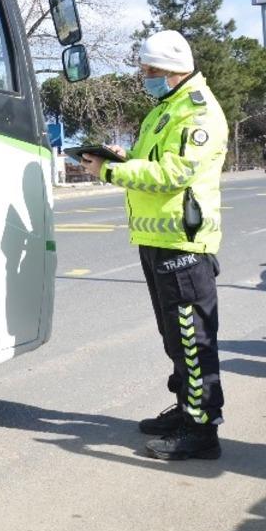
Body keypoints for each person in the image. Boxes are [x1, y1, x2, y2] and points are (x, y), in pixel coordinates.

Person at [81, 29, 228, 461]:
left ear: (171, 71)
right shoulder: (166, 107)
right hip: (157, 238)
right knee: (174, 338)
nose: (143, 76)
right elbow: (152, 163)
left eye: (149, 70)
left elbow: (174, 174)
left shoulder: (197, 113)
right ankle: (186, 410)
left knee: (192, 338)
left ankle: (202, 432)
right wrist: (121, 159)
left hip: (182, 242)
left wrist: (108, 173)